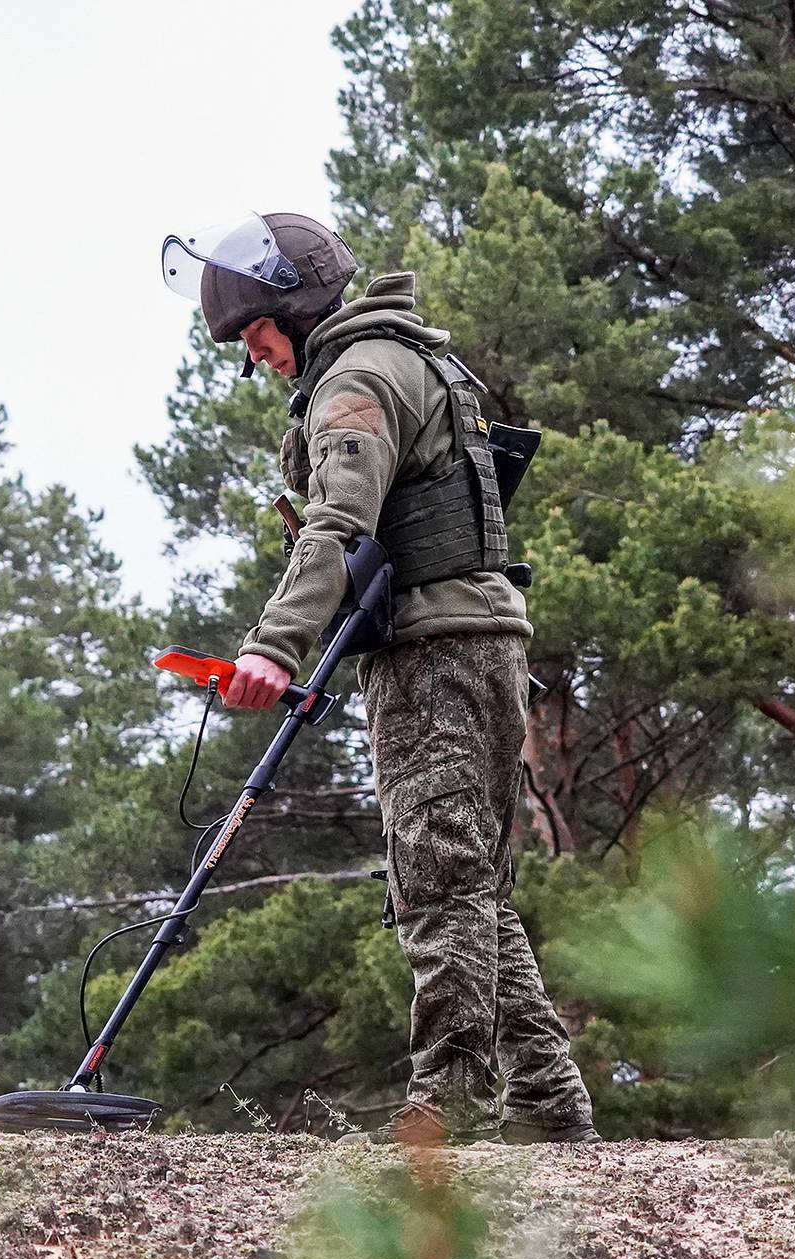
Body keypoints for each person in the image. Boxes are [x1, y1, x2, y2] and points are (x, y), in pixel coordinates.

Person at [162, 212, 599, 1145]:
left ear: (299, 303)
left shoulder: (358, 379)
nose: (256, 356)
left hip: (437, 655)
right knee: (466, 877)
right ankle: (548, 1102)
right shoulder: (395, 360)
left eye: (258, 332)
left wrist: (272, 648)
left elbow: (340, 528)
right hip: (468, 642)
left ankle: (440, 1109)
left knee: (436, 881)